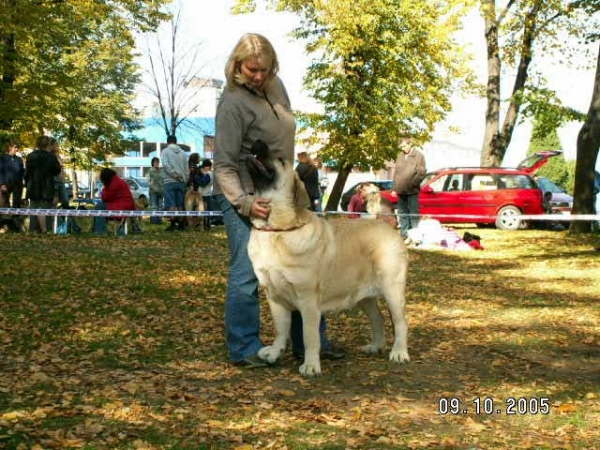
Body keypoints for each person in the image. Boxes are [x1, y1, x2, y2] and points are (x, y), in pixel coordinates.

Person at [213, 33, 344, 367]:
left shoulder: (277, 85)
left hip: (284, 192)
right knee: (247, 274)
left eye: (265, 69)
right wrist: (244, 202)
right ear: (237, 65)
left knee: (305, 263)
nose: (259, 76)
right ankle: (244, 349)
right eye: (252, 69)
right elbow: (224, 164)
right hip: (245, 195)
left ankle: (309, 344)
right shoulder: (231, 103)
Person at [25, 135, 62, 233]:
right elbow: (57, 170)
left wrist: (27, 184)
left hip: (33, 187)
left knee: (33, 209)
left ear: (37, 144)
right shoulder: (51, 157)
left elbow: (27, 173)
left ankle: (33, 230)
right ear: (47, 144)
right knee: (46, 210)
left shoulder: (30, 156)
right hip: (47, 187)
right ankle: (47, 230)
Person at [393, 138, 427, 239]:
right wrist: (394, 188)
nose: (402, 149)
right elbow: (397, 173)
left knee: (413, 213)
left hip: (412, 190)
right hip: (400, 190)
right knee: (402, 213)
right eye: (401, 147)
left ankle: (414, 236)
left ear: (410, 144)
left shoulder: (419, 156)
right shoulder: (399, 156)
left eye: (404, 146)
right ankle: (404, 235)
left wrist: (411, 184)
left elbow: (421, 174)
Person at [92, 168, 136, 235]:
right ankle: (96, 228)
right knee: (101, 207)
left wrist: (104, 187)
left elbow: (104, 198)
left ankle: (100, 231)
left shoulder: (113, 184)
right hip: (128, 206)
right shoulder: (119, 181)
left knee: (99, 206)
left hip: (122, 207)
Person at [161, 135, 188, 231]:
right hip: (181, 182)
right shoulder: (184, 153)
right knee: (180, 204)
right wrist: (185, 179)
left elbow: (165, 165)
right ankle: (181, 224)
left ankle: (172, 224)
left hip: (169, 181)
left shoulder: (165, 151)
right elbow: (186, 169)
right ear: (176, 142)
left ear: (167, 142)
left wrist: (173, 174)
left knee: (171, 204)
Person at [0, 140, 25, 232]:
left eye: (17, 147)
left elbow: (22, 171)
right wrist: (2, 184)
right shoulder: (2, 158)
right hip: (5, 184)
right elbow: (0, 171)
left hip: (17, 185)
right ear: (10, 147)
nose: (17, 149)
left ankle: (15, 224)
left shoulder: (19, 159)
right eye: (15, 147)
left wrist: (23, 182)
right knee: (3, 203)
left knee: (16, 203)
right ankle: (3, 224)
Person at [198, 159, 214, 229]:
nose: (203, 169)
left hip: (204, 194)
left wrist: (197, 178)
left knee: (204, 210)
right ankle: (207, 225)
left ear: (206, 167)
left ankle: (206, 225)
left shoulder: (209, 174)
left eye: (204, 167)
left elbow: (203, 183)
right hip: (208, 193)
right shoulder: (211, 173)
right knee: (207, 210)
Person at [148, 157, 164, 224]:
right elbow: (148, 181)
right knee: (153, 207)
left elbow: (163, 180)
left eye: (157, 162)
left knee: (160, 206)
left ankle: (159, 220)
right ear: (152, 163)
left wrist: (163, 189)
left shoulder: (161, 171)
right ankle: (153, 221)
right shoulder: (150, 171)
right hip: (153, 192)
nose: (156, 163)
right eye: (155, 162)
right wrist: (152, 187)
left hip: (161, 191)